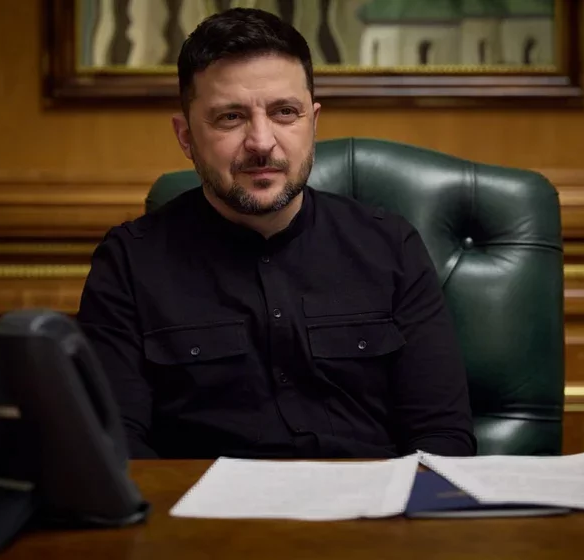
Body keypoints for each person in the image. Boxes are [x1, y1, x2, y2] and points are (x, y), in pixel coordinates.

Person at [77, 8, 476, 460]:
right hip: (202, 502)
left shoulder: (391, 247)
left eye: (285, 112)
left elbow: (442, 436)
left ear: (313, 122)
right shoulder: (129, 263)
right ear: (186, 136)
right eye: (230, 117)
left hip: (368, 499)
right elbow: (117, 450)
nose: (261, 142)